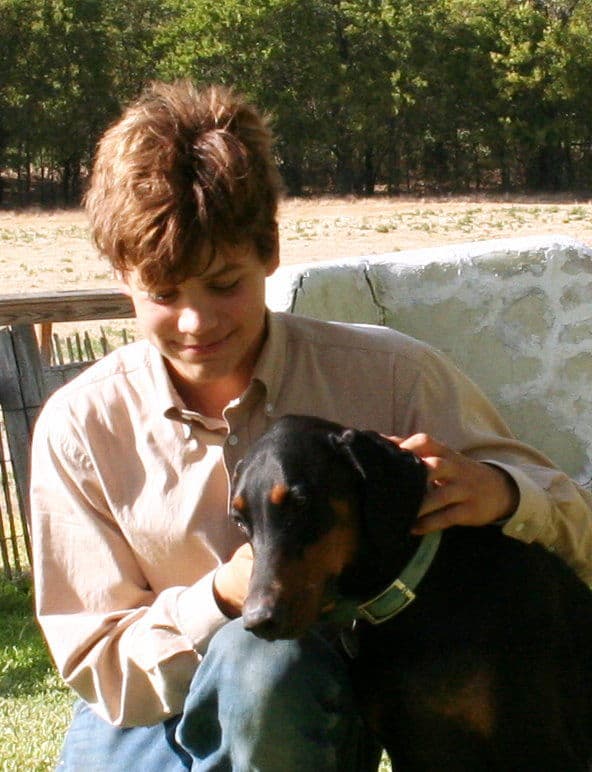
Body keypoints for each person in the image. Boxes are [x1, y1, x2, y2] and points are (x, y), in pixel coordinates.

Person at [30, 80, 592, 771]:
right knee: (247, 652)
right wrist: (218, 599)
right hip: (153, 718)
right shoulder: (80, 428)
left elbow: (573, 528)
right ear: (123, 276)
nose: (196, 321)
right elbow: (97, 659)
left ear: (269, 252)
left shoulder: (392, 377)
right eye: (164, 293)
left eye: (225, 282)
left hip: (299, 707)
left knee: (269, 667)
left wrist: (504, 493)